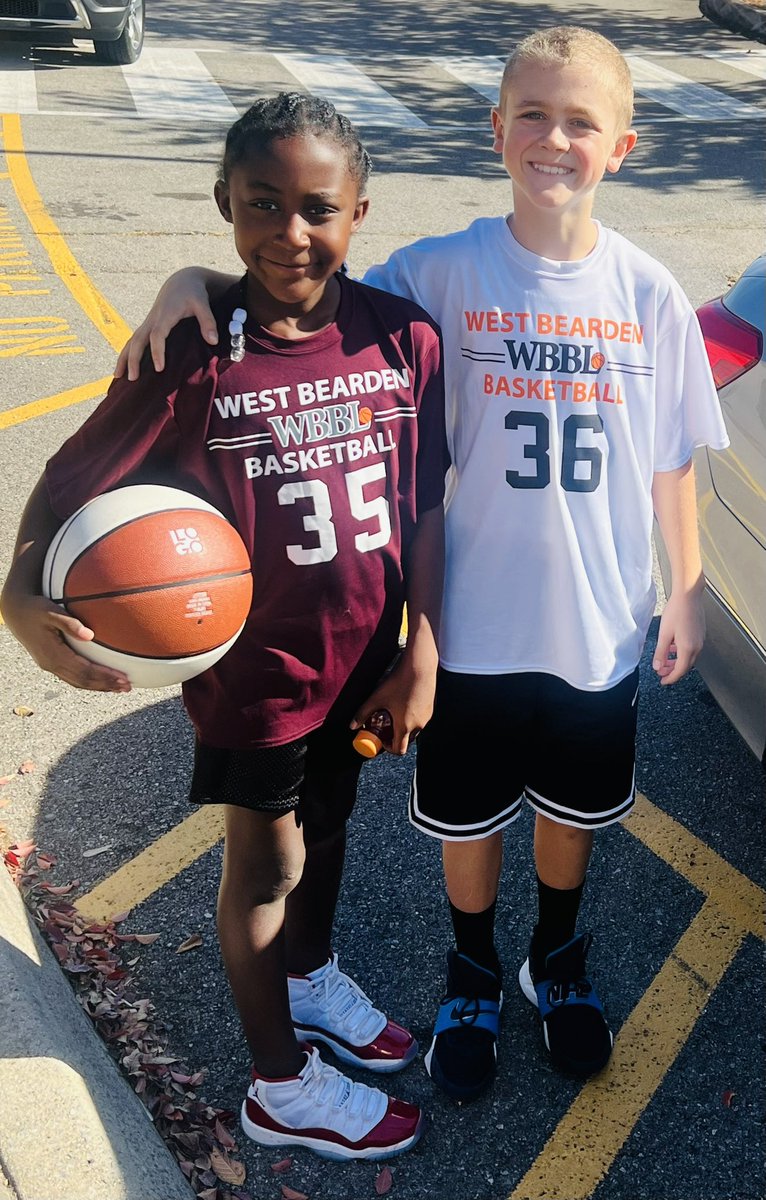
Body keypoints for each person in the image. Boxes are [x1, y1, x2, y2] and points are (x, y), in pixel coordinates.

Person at [111, 27, 729, 1103]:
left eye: (580, 121)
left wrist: (681, 586)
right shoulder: (436, 273)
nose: (553, 138)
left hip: (597, 624)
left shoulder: (648, 293)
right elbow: (302, 287)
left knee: (571, 814)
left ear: (621, 147)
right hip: (474, 628)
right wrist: (192, 273)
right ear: (495, 130)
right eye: (531, 114)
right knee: (470, 816)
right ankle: (473, 968)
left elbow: (669, 458)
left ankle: (559, 956)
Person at [1, 93, 450, 1158]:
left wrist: (421, 647)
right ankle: (281, 1086)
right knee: (263, 871)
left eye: (316, 208)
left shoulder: (405, 340)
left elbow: (425, 503)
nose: (290, 232)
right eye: (262, 204)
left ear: (359, 213)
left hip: (364, 665)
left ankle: (308, 975)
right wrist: (19, 594)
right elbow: (68, 485)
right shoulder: (193, 354)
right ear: (222, 204)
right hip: (255, 681)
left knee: (330, 832)